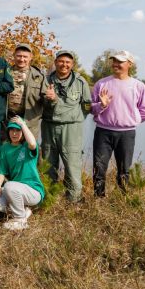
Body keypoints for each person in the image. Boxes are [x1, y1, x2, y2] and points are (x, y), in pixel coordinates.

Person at [91, 50, 145, 197]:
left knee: (124, 169)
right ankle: (98, 200)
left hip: (127, 134)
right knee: (99, 168)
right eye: (114, 61)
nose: (116, 64)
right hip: (102, 132)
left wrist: (130, 120)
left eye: (120, 61)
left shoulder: (138, 86)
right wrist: (102, 105)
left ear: (129, 64)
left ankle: (121, 200)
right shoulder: (101, 83)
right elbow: (91, 109)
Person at [41, 50, 91, 202]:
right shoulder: (46, 80)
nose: (64, 64)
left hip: (71, 129)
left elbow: (87, 105)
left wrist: (75, 117)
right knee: (48, 164)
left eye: (68, 62)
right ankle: (49, 197)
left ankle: (74, 199)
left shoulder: (80, 82)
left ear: (72, 64)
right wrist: (49, 100)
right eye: (61, 61)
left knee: (72, 164)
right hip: (49, 126)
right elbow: (39, 104)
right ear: (55, 63)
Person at [0, 116, 45, 231]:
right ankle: (24, 212)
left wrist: (23, 124)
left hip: (33, 191)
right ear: (8, 131)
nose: (14, 133)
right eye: (12, 130)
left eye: (18, 130)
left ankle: (20, 220)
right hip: (16, 190)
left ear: (22, 132)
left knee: (9, 186)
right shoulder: (5, 148)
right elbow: (1, 170)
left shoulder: (27, 146)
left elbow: (32, 144)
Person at [6, 43, 45, 140]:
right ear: (14, 55)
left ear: (30, 57)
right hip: (8, 119)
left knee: (28, 149)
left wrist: (51, 98)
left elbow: (47, 100)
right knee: (8, 149)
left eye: (25, 56)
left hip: (29, 120)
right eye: (19, 56)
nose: (21, 59)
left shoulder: (39, 76)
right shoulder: (5, 72)